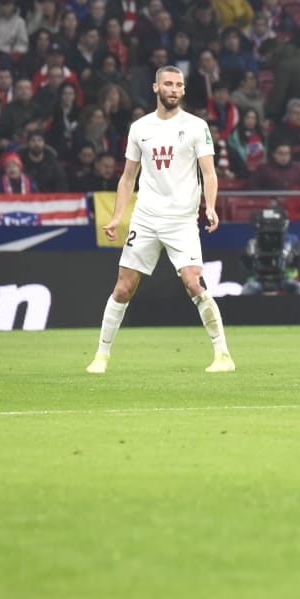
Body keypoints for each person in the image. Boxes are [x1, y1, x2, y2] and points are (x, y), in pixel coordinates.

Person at [89, 66, 230, 375]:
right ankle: (101, 356)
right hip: (146, 218)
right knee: (124, 288)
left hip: (182, 221)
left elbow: (209, 171)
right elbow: (128, 178)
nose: (174, 89)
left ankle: (223, 355)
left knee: (195, 283)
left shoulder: (196, 126)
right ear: (155, 88)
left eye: (179, 84)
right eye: (168, 84)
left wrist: (211, 206)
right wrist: (116, 216)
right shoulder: (140, 128)